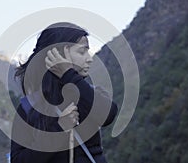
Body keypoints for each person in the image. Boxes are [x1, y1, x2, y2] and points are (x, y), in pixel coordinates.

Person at [10, 22, 118, 163]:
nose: (89, 59)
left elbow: (108, 115)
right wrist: (59, 129)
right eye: (82, 51)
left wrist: (68, 74)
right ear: (58, 54)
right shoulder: (29, 107)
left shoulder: (89, 94)